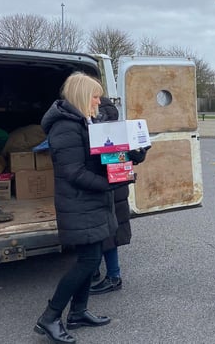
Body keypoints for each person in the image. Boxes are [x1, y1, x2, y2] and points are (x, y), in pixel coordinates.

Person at [35, 72, 116, 344]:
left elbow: (98, 159)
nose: (99, 100)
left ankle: (78, 312)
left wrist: (131, 156)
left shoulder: (85, 122)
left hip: (89, 202)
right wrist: (108, 183)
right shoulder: (65, 127)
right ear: (82, 96)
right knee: (88, 262)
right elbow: (74, 172)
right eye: (95, 95)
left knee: (90, 260)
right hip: (79, 203)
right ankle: (49, 317)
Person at [90, 97, 148, 295]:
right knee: (105, 233)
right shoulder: (115, 126)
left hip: (109, 188)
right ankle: (98, 272)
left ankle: (113, 276)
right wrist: (135, 155)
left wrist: (133, 155)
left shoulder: (98, 127)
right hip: (116, 186)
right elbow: (127, 156)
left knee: (106, 234)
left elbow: (116, 157)